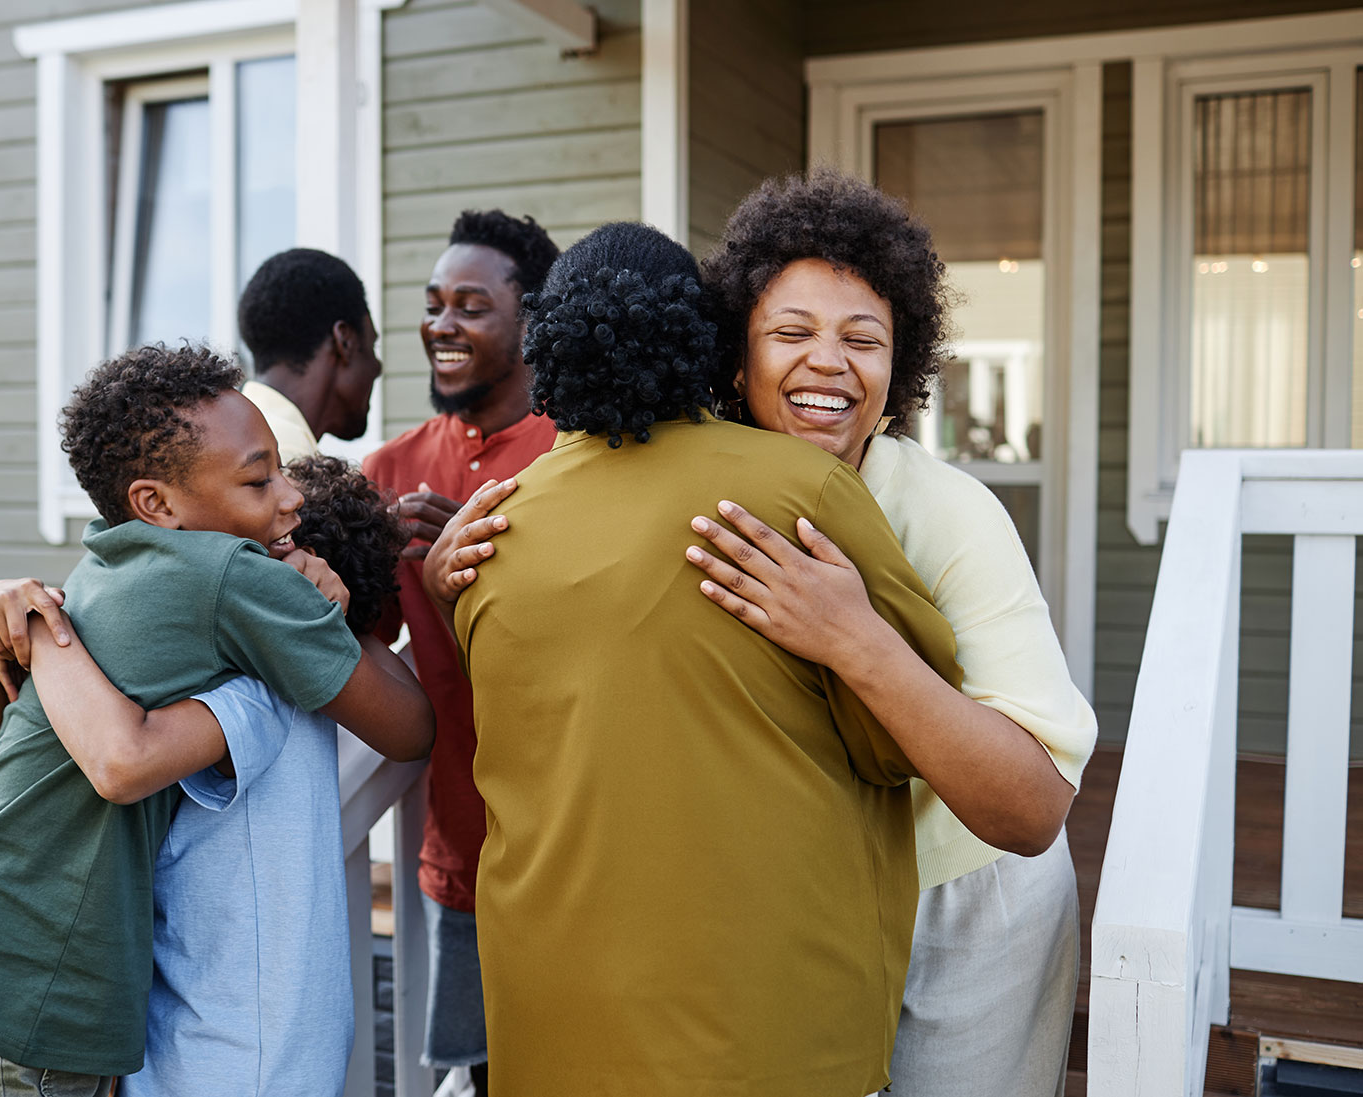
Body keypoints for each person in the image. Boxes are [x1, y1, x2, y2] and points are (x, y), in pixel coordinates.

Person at [437, 221, 962, 1096]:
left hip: (548, 1029)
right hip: (770, 1036)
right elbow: (905, 739)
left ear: (544, 347)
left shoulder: (489, 529)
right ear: (712, 343)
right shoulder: (802, 490)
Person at [0, 345, 432, 1097]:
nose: (288, 497)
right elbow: (410, 730)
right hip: (3, 1031)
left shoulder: (103, 572)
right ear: (156, 503)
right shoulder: (236, 575)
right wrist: (332, 618)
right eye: (258, 479)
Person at [686, 171, 1095, 1096]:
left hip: (965, 903)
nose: (829, 362)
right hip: (792, 899)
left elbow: (1031, 808)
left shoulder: (953, 514)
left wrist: (855, 638)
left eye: (862, 339)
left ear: (897, 368)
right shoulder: (699, 489)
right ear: (736, 357)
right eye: (792, 332)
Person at [0, 455, 417, 1097]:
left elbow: (112, 761)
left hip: (227, 1057)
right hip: (238, 1045)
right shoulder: (238, 678)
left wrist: (36, 632)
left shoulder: (256, 695)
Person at [361, 209, 558, 1091]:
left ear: (532, 319)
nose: (442, 324)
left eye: (471, 306)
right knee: (481, 1076)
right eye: (434, 303)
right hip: (465, 845)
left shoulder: (574, 453)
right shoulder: (389, 471)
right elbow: (352, 641)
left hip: (580, 846)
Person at [237, 247, 383, 460]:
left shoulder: (234, 436)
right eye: (372, 347)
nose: (377, 367)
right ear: (345, 342)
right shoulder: (285, 456)